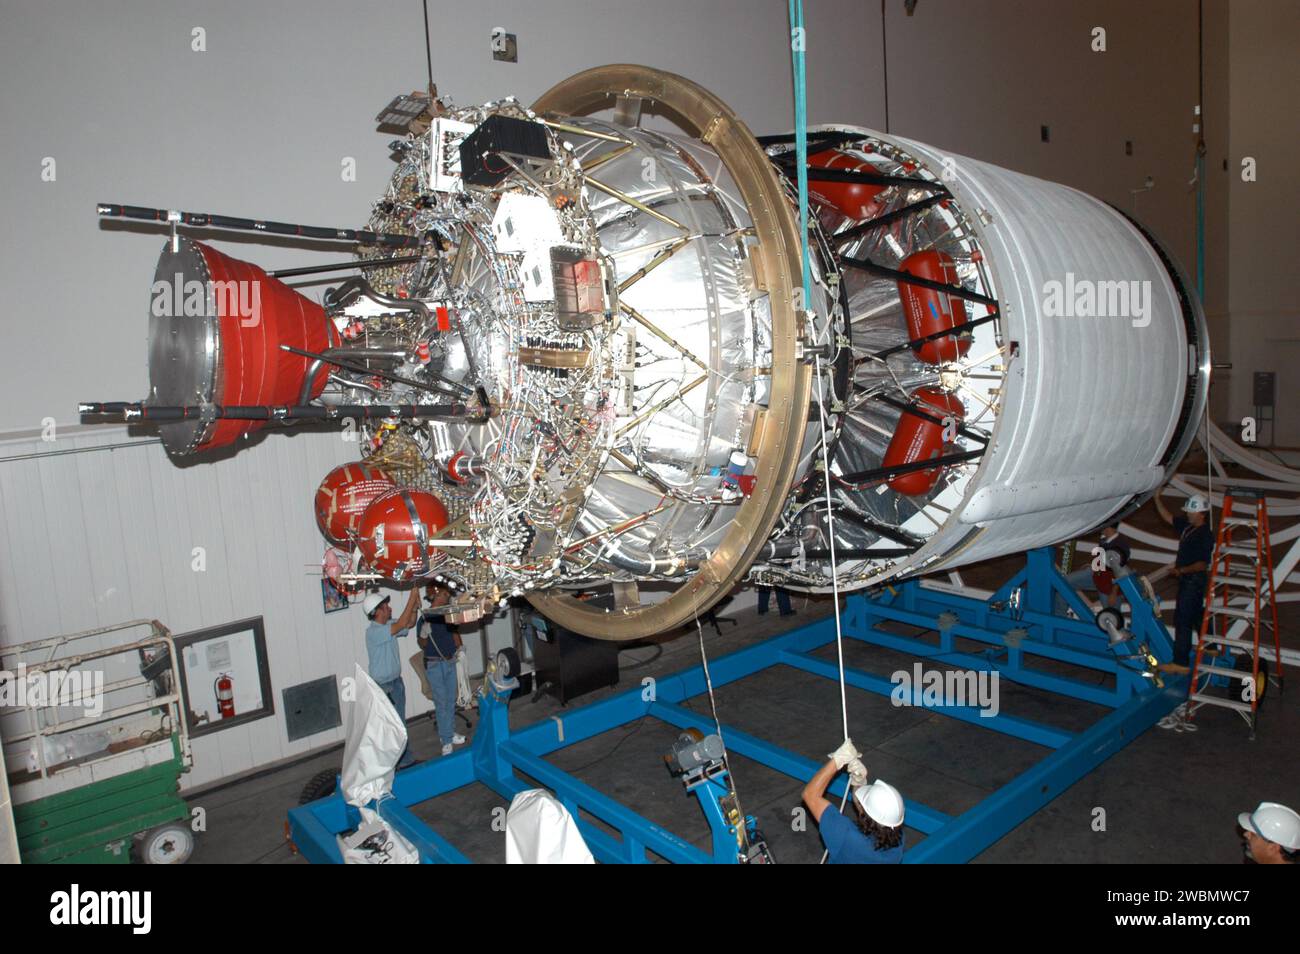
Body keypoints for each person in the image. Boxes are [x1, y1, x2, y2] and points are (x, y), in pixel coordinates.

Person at [802, 739, 905, 863]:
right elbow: (869, 814)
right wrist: (859, 782)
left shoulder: (846, 836)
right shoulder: (897, 841)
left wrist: (837, 760)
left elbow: (810, 795)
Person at [1153, 490, 1214, 667]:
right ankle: (1210, 644)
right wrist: (1157, 498)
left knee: (1183, 620)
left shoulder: (1204, 535)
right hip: (1190, 580)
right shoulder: (1189, 527)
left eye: (1190, 511)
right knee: (1196, 613)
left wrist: (1181, 571)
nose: (1187, 513)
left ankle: (1180, 663)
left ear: (1201, 514)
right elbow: (1168, 518)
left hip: (1192, 580)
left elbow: (1202, 564)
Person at [362, 589, 421, 769]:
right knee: (395, 726)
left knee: (398, 725)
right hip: (385, 687)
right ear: (376, 612)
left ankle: (403, 760)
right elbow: (403, 622)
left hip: (395, 683)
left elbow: (409, 623)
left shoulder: (389, 626)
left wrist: (415, 607)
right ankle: (399, 762)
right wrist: (411, 597)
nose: (389, 608)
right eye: (385, 606)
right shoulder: (374, 632)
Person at [416, 584, 467, 756]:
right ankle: (445, 740)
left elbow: (454, 633)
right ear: (436, 595)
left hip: (450, 662)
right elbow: (422, 644)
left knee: (451, 699)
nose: (447, 597)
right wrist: (424, 634)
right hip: (435, 664)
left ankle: (450, 733)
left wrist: (460, 649)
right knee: (442, 702)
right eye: (445, 594)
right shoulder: (425, 618)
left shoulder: (448, 614)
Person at [1057, 524, 1132, 613]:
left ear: (1107, 526)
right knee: (1063, 583)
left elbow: (1121, 573)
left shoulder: (1120, 545)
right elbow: (1104, 561)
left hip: (1109, 586)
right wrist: (1093, 565)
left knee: (1112, 616)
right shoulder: (1105, 540)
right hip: (1098, 575)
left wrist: (1113, 593)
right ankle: (1059, 616)